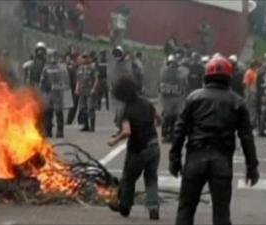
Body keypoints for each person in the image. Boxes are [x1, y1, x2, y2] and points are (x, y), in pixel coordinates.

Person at [169, 55, 260, 225]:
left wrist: (174, 159)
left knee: (186, 209)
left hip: (195, 157)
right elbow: (246, 137)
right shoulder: (237, 102)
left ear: (206, 75)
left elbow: (179, 131)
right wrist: (252, 167)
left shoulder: (194, 98)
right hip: (222, 160)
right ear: (229, 77)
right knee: (221, 213)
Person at [107, 76, 162, 220]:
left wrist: (114, 140)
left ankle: (125, 206)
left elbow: (126, 131)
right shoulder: (147, 103)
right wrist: (149, 127)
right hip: (154, 146)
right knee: (151, 178)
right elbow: (159, 119)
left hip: (138, 149)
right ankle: (153, 207)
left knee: (128, 178)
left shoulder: (127, 110)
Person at [39, 49, 70, 138]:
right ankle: (48, 131)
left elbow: (66, 80)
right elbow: (42, 80)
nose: (52, 58)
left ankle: (60, 131)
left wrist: (63, 88)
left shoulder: (62, 68)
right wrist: (42, 91)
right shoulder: (46, 68)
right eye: (51, 56)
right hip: (49, 93)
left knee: (59, 112)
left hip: (58, 93)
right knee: (48, 112)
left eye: (54, 56)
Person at [159, 55, 186, 143]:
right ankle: (166, 134)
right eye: (171, 64)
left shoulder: (179, 74)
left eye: (174, 64)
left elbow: (184, 86)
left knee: (174, 117)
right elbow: (160, 86)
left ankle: (170, 134)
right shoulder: (164, 72)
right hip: (168, 99)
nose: (172, 66)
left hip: (174, 99)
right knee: (167, 117)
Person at [75, 52, 98, 132]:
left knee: (90, 108)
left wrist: (94, 88)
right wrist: (77, 88)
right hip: (82, 90)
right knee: (82, 108)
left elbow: (96, 79)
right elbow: (78, 79)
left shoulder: (92, 67)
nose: (84, 59)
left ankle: (92, 126)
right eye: (83, 57)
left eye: (86, 57)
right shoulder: (80, 68)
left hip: (89, 90)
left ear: (89, 58)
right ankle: (86, 125)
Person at [65, 45, 80, 124]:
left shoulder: (78, 60)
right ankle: (68, 119)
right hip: (68, 84)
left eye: (75, 49)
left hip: (77, 84)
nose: (74, 51)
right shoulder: (67, 59)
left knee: (76, 103)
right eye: (72, 49)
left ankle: (70, 120)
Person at [243, 60, 261, 126]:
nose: (257, 67)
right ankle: (250, 122)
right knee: (250, 108)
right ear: (253, 66)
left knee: (253, 108)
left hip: (254, 92)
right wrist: (248, 94)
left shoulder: (254, 72)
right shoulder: (248, 72)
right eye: (256, 66)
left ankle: (252, 122)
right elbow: (247, 84)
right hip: (250, 92)